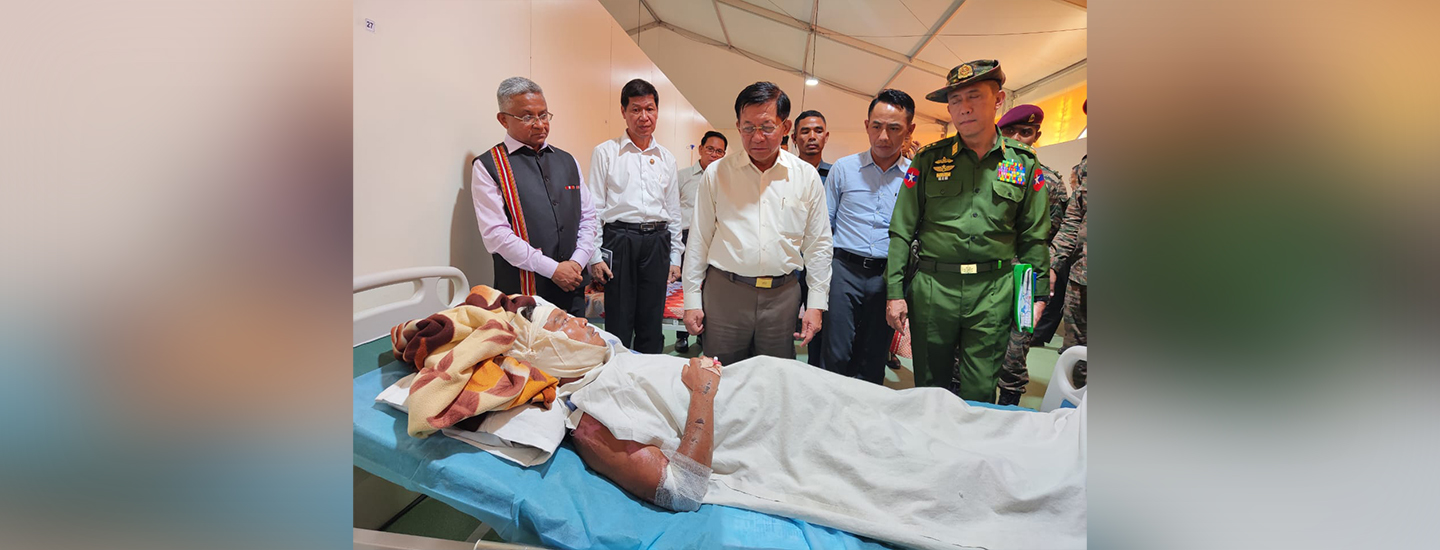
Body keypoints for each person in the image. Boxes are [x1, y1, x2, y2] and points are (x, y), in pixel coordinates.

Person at [884, 60, 1050, 403]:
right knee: (930, 389)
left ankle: (973, 453)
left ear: (999, 99)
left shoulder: (1022, 163)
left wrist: (1036, 296)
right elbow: (902, 229)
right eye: (955, 101)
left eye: (974, 96)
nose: (964, 108)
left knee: (979, 390)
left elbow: (1034, 236)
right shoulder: (929, 160)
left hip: (994, 291)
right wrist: (895, 291)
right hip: (934, 289)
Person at [682, 81, 833, 366]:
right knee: (719, 374)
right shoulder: (717, 174)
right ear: (737, 126)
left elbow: (819, 244)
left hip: (782, 297)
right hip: (726, 294)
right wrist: (691, 299)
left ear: (785, 127)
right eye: (748, 127)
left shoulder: (805, 177)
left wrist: (816, 303)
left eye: (767, 127)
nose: (757, 137)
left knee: (774, 379)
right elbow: (699, 239)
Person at [472, 76, 598, 315]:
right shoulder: (490, 166)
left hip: (572, 287)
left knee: (578, 349)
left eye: (544, 115)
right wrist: (552, 269)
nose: (540, 124)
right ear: (503, 119)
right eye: (528, 117)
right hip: (524, 292)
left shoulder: (567, 160)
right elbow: (496, 235)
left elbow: (588, 217)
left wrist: (577, 263)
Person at [820, 89, 915, 383]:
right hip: (843, 271)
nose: (883, 136)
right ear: (867, 126)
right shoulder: (844, 169)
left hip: (887, 276)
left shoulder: (915, 176)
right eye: (877, 126)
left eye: (894, 128)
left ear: (909, 130)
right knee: (835, 351)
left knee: (873, 355)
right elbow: (825, 225)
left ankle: (862, 419)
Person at [586, 79, 683, 354]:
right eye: (636, 110)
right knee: (619, 317)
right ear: (623, 111)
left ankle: (649, 378)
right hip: (620, 239)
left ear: (657, 111)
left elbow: (674, 212)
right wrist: (594, 256)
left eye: (650, 109)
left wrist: (675, 257)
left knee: (652, 319)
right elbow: (593, 208)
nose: (644, 117)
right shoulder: (606, 152)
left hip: (657, 242)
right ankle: (617, 378)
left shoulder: (667, 158)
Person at [994, 104, 1068, 406]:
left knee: (1016, 348)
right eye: (1010, 131)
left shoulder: (1049, 181)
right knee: (972, 348)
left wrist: (1047, 270)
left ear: (1036, 135)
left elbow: (1060, 231)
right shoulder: (990, 170)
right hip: (988, 272)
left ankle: (1009, 407)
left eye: (1026, 132)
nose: (1018, 138)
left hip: (1025, 277)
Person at [673, 130, 727, 353]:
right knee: (684, 288)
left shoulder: (726, 179)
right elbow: (672, 210)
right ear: (702, 148)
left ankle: (706, 336)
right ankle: (682, 334)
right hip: (686, 237)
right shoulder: (683, 176)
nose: (714, 154)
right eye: (711, 149)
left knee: (711, 289)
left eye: (720, 151)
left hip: (715, 238)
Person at [791, 110, 831, 365]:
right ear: (794, 137)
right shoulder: (785, 172)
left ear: (826, 137)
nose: (811, 136)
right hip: (790, 264)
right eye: (804, 131)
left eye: (817, 131)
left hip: (821, 263)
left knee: (820, 327)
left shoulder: (837, 175)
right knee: (782, 328)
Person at [1052, 154, 1087, 388]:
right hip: (1081, 280)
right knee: (1075, 356)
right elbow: (1073, 220)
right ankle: (1072, 413)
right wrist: (1053, 264)